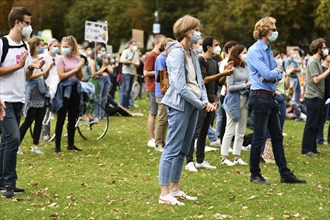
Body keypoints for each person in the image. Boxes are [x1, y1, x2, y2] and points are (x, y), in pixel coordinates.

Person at [158, 15, 216, 205]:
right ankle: (164, 192)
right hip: (180, 104)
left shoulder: (192, 51)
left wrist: (204, 100)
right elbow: (180, 86)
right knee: (172, 148)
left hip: (194, 104)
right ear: (185, 31)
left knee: (184, 149)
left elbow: (199, 82)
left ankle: (175, 189)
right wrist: (201, 104)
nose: (198, 32)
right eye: (195, 28)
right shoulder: (176, 52)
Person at [246, 17, 306, 184]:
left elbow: (280, 72)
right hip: (259, 96)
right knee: (259, 136)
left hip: (270, 96)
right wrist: (273, 74)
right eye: (273, 28)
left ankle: (284, 173)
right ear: (265, 31)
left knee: (277, 136)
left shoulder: (267, 49)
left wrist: (274, 74)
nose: (275, 31)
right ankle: (255, 174)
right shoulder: (255, 50)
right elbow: (267, 73)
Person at [0, 7, 45, 198]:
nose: (29, 26)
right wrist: (18, 66)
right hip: (4, 99)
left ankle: (3, 180)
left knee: (6, 141)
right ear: (17, 23)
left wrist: (32, 67)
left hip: (19, 98)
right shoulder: (2, 43)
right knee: (14, 139)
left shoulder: (25, 46)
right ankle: (9, 183)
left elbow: (26, 76)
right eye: (27, 22)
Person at [185, 36, 233, 172]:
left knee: (204, 131)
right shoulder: (201, 60)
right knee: (196, 131)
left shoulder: (214, 62)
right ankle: (189, 160)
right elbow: (204, 80)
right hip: (201, 100)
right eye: (216, 45)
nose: (218, 47)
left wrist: (226, 73)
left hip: (212, 100)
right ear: (209, 47)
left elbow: (219, 82)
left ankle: (200, 160)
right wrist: (223, 73)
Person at [19, 37, 53, 155]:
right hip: (32, 91)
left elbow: (44, 76)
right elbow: (27, 77)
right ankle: (17, 145)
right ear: (35, 46)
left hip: (41, 90)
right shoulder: (28, 58)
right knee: (29, 120)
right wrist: (42, 72)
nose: (42, 47)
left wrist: (46, 70)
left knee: (39, 120)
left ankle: (35, 146)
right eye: (41, 45)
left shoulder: (40, 58)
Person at [52, 35, 84, 153]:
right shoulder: (60, 59)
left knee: (72, 117)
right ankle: (57, 145)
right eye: (63, 46)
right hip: (64, 90)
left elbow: (80, 77)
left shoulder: (77, 59)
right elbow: (61, 75)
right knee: (61, 117)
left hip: (75, 89)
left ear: (72, 47)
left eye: (67, 46)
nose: (64, 48)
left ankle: (71, 144)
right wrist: (76, 69)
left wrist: (79, 68)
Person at [221, 44, 250, 166]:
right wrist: (245, 85)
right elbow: (230, 87)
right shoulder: (231, 68)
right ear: (237, 54)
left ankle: (237, 156)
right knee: (230, 129)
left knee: (241, 130)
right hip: (233, 100)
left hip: (245, 100)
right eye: (244, 52)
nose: (246, 54)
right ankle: (224, 157)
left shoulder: (246, 67)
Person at [301, 38, 330, 156]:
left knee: (316, 124)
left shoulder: (317, 61)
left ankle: (312, 148)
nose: (325, 49)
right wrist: (329, 71)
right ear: (319, 49)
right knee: (311, 124)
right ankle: (306, 149)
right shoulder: (313, 61)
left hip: (318, 97)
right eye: (323, 47)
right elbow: (316, 79)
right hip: (313, 97)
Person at [144, 34, 166, 148]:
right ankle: (152, 138)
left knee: (161, 115)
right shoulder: (151, 56)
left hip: (160, 88)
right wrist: (159, 71)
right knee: (153, 113)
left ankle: (159, 138)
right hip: (153, 87)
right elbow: (146, 72)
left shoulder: (161, 56)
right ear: (157, 43)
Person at [154, 37, 174, 152]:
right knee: (162, 119)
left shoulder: (167, 57)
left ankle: (163, 140)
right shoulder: (161, 58)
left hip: (166, 93)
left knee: (166, 119)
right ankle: (158, 143)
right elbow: (163, 76)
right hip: (162, 93)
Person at [41, 38, 60, 141]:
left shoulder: (60, 58)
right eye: (54, 46)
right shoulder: (43, 56)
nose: (56, 48)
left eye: (58, 46)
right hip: (46, 86)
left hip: (57, 86)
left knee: (54, 109)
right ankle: (45, 133)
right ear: (49, 46)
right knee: (46, 110)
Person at [119, 40, 140, 109]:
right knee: (126, 89)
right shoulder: (125, 51)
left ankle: (127, 105)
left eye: (135, 45)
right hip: (126, 72)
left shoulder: (135, 53)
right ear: (129, 45)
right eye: (133, 44)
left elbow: (137, 63)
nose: (134, 46)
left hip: (132, 72)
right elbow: (122, 60)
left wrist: (135, 64)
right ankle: (123, 105)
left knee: (129, 90)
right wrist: (131, 62)